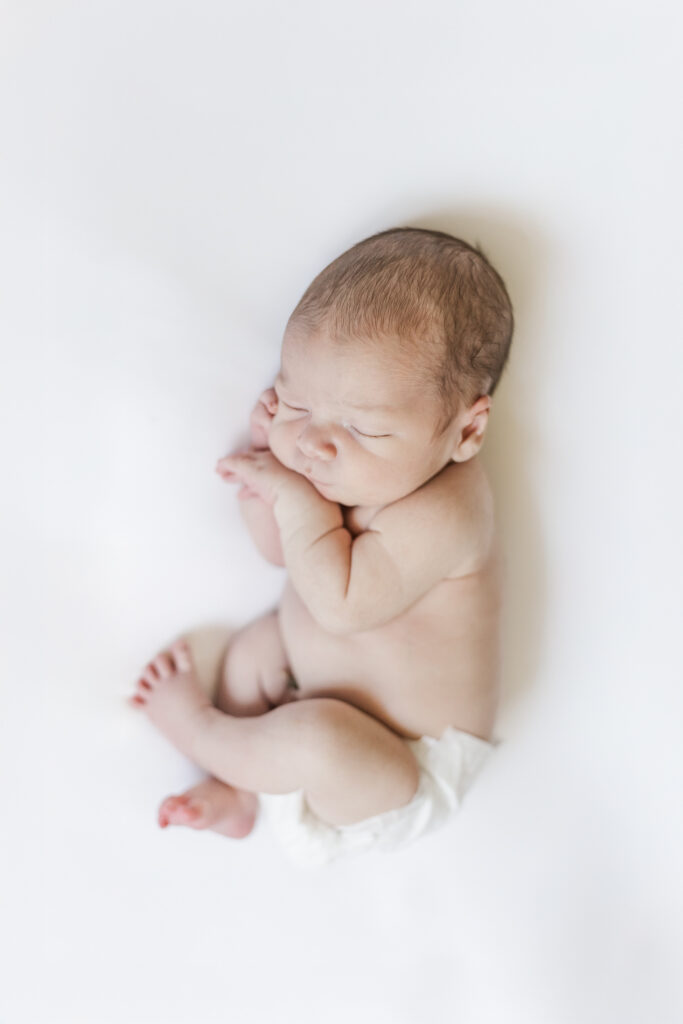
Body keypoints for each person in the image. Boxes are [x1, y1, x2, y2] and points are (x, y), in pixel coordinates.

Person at [130, 226, 514, 866]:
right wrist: (263, 490)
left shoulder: (450, 510)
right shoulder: (363, 468)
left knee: (317, 741)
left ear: (466, 430)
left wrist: (291, 493)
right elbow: (284, 557)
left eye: (362, 427)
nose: (314, 444)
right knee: (258, 646)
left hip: (396, 771)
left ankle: (202, 733)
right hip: (307, 691)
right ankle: (238, 791)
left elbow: (340, 603)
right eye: (298, 403)